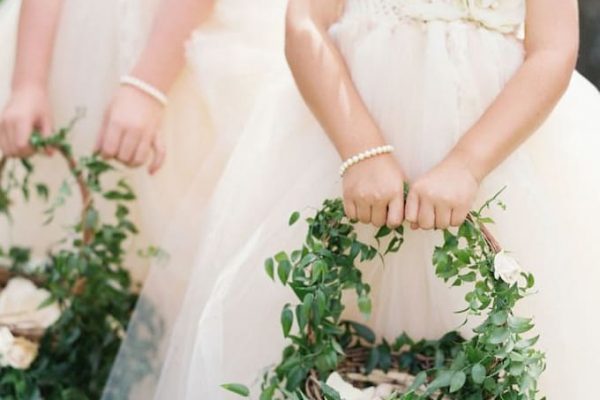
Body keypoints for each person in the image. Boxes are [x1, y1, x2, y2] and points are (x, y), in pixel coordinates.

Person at [109, 0, 599, 398]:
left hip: (497, 137)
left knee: (495, 339)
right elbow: (306, 21)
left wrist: (468, 163)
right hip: (342, 124)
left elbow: (553, 48)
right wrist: (360, 149)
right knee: (319, 322)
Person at [0, 0, 282, 279]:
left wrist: (148, 85)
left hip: (178, 34)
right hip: (75, 30)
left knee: (188, 243)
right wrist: (28, 82)